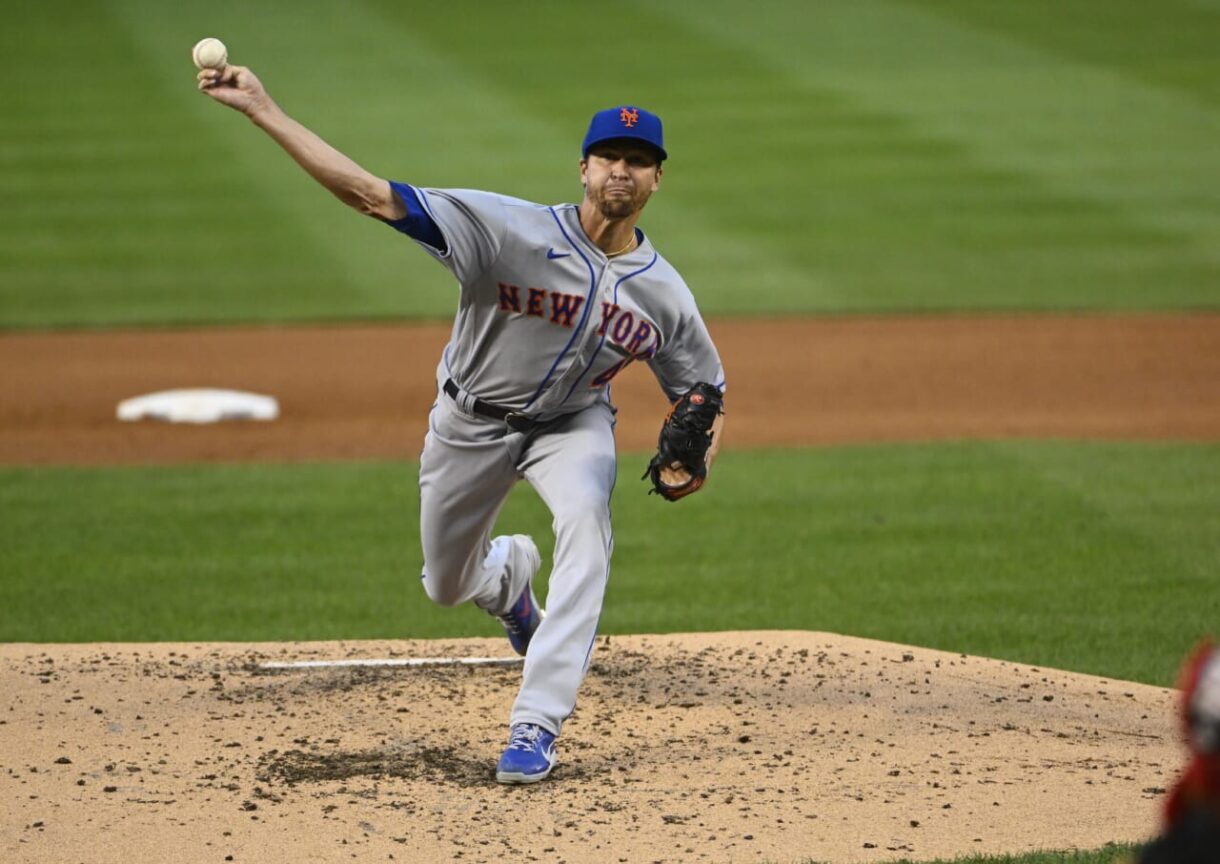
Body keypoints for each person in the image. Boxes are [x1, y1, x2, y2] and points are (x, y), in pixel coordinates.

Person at [198, 63, 726, 784]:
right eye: (610, 157)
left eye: (639, 162)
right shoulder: (505, 230)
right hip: (469, 422)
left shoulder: (665, 296)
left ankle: (536, 723)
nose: (622, 172)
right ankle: (507, 583)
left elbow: (703, 394)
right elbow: (368, 194)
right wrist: (262, 108)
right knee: (445, 584)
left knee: (586, 529)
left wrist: (694, 463)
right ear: (583, 168)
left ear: (657, 180)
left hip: (573, 426)